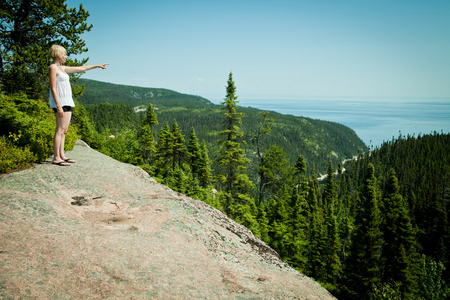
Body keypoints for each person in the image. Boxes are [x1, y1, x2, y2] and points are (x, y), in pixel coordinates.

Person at [49, 45, 108, 166]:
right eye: (64, 54)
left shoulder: (62, 68)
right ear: (58, 55)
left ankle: (62, 155)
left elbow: (81, 68)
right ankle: (56, 157)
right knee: (59, 130)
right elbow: (53, 88)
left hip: (67, 101)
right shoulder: (52, 68)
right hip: (60, 102)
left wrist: (96, 66)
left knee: (64, 130)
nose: (66, 56)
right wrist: (58, 106)